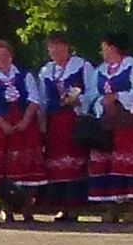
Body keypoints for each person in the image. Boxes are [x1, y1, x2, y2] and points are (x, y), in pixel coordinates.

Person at [28, 31, 93, 223]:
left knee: (75, 163)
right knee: (56, 165)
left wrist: (77, 100)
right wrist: (41, 120)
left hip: (74, 120)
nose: (55, 50)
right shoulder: (46, 71)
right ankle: (61, 206)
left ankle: (75, 206)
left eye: (59, 46)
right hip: (54, 122)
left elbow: (92, 91)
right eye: (51, 47)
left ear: (67, 47)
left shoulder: (81, 66)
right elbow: (41, 98)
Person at [86, 33, 133, 217]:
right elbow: (91, 95)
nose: (102, 51)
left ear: (113, 47)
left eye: (104, 47)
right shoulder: (99, 71)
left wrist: (117, 97)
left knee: (127, 160)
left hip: (128, 122)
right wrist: (97, 102)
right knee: (106, 160)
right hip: (106, 122)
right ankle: (111, 206)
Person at [0, 32, 41, 222]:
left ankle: (27, 208)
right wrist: (3, 124)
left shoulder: (24, 75)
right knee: (2, 169)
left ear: (11, 56)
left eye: (5, 55)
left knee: (27, 168)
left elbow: (34, 99)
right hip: (0, 127)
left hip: (25, 125)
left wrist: (25, 121)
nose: (2, 59)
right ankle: (6, 207)